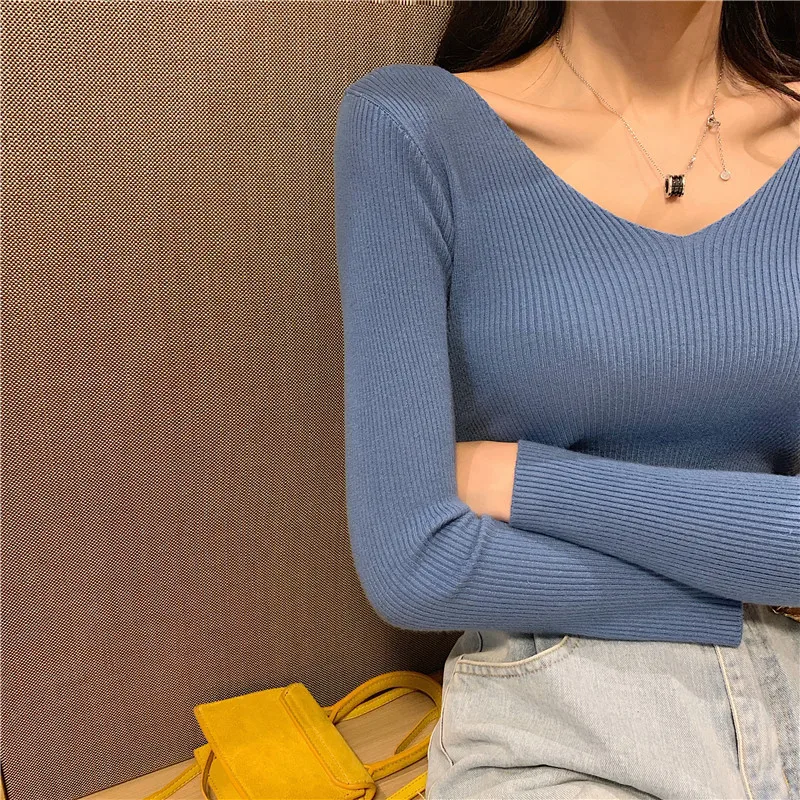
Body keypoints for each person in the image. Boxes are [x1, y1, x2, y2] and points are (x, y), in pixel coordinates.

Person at [333, 1, 800, 797]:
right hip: (557, 719)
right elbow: (414, 565)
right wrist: (756, 574)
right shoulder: (411, 127)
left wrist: (522, 479)